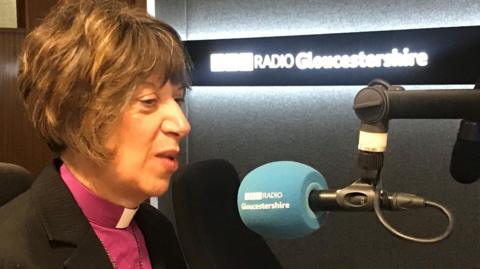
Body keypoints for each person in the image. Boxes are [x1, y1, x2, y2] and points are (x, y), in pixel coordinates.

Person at [0, 0, 191, 268]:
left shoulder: (157, 228)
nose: (181, 125)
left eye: (178, 99)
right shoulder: (12, 254)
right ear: (76, 110)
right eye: (149, 101)